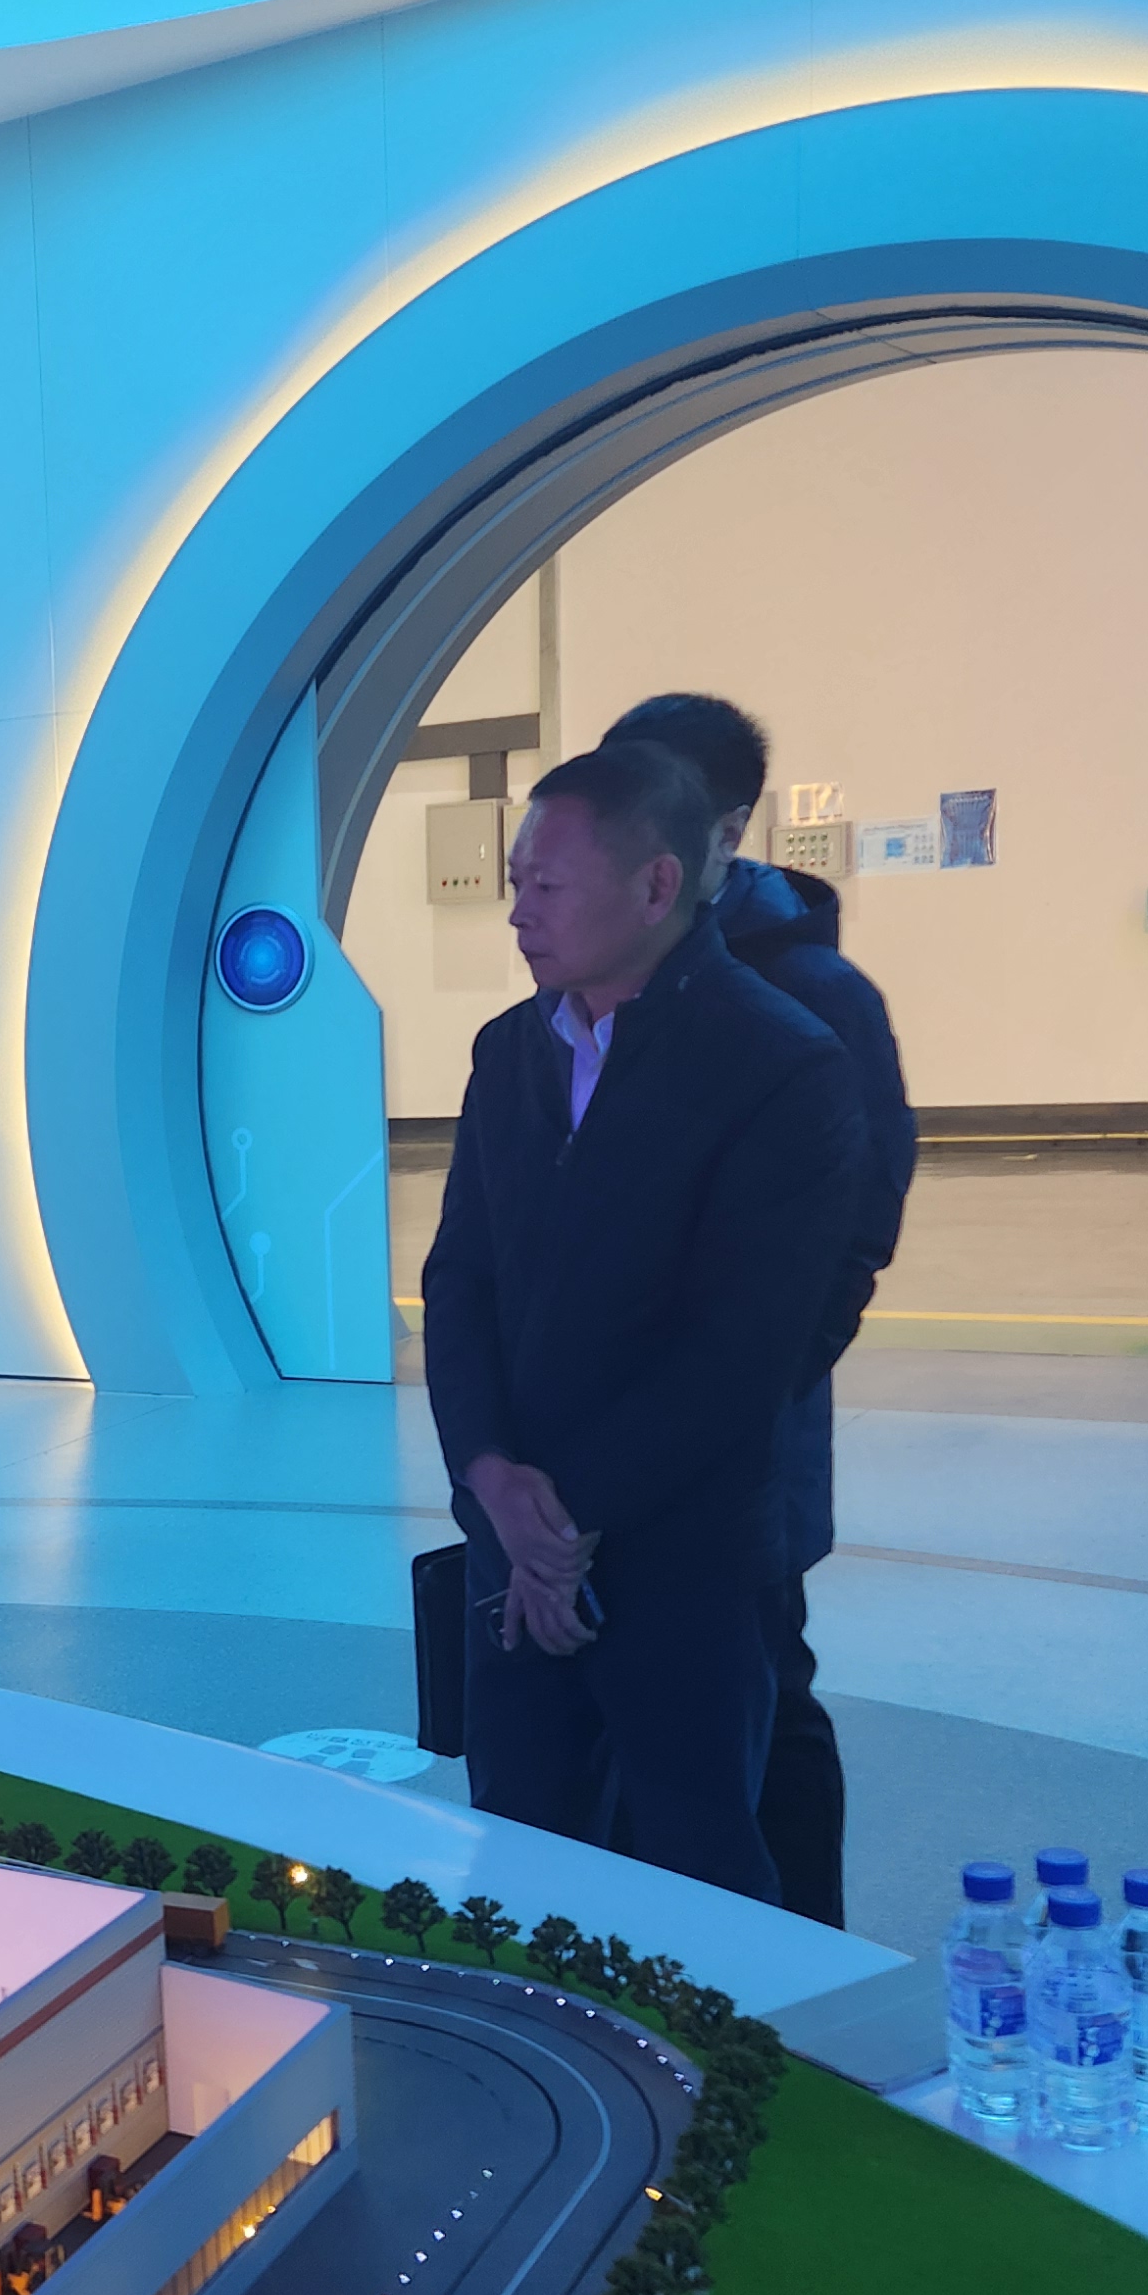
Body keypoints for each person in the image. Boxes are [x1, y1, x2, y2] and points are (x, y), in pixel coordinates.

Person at [422, 740, 865, 1903]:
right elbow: (459, 1280)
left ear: (658, 884)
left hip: (682, 1559)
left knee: (695, 1872)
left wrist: (562, 1525)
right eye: (515, 881)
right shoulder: (509, 1052)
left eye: (546, 885)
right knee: (519, 1856)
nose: (517, 912)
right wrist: (489, 1478)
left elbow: (740, 1353)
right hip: (510, 1545)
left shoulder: (778, 1066)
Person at [606, 691, 912, 1928]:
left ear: (729, 828)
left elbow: (852, 1238)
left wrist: (730, 1398)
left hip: (745, 1447)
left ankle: (802, 1965)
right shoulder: (599, 979)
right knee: (634, 1707)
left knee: (764, 1696)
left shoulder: (818, 997)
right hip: (606, 1440)